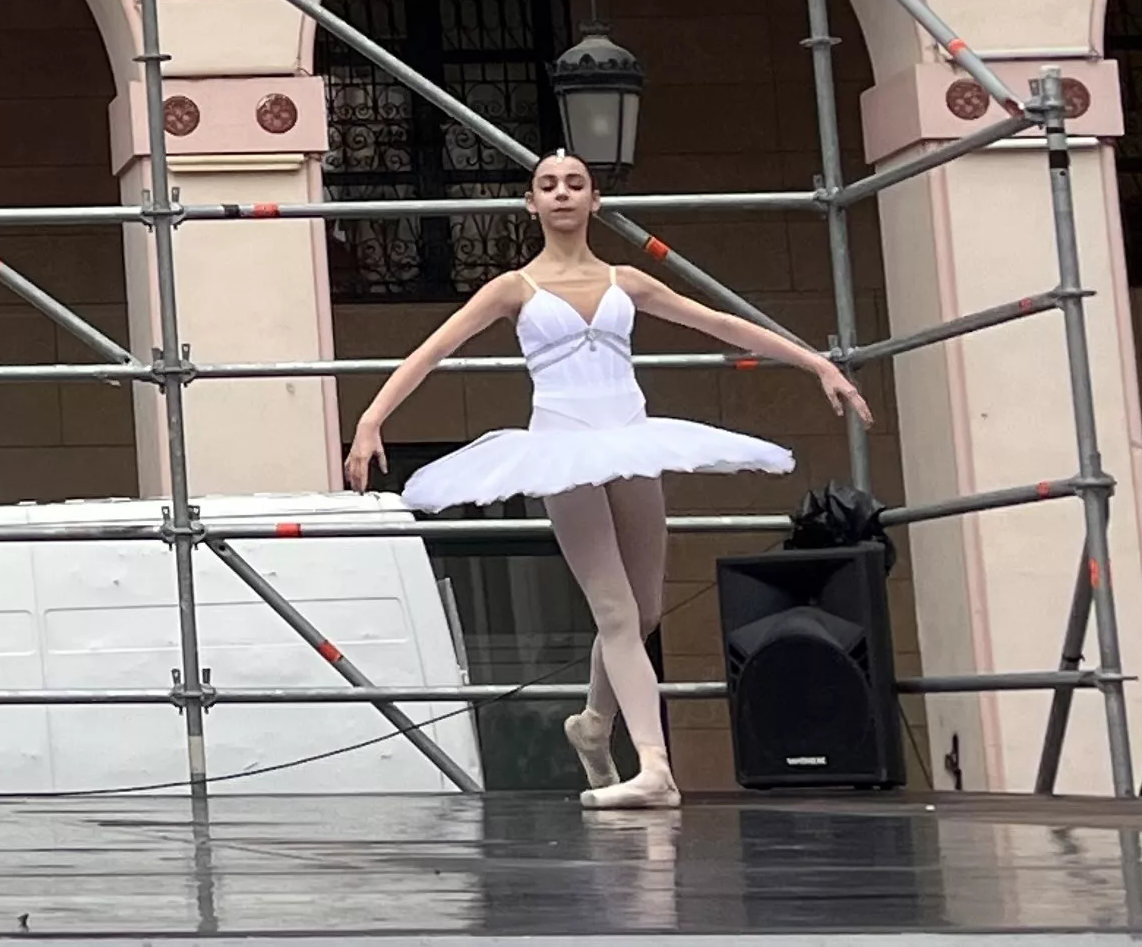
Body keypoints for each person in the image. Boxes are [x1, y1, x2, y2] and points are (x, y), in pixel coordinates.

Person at [342, 149, 872, 812]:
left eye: (574, 184)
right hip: (563, 449)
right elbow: (432, 351)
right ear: (530, 204)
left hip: (629, 440)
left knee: (643, 611)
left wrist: (816, 364)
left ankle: (592, 725)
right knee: (617, 613)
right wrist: (371, 420)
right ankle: (654, 766)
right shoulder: (514, 289)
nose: (561, 193)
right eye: (547, 185)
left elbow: (720, 322)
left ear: (594, 201)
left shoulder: (628, 280)